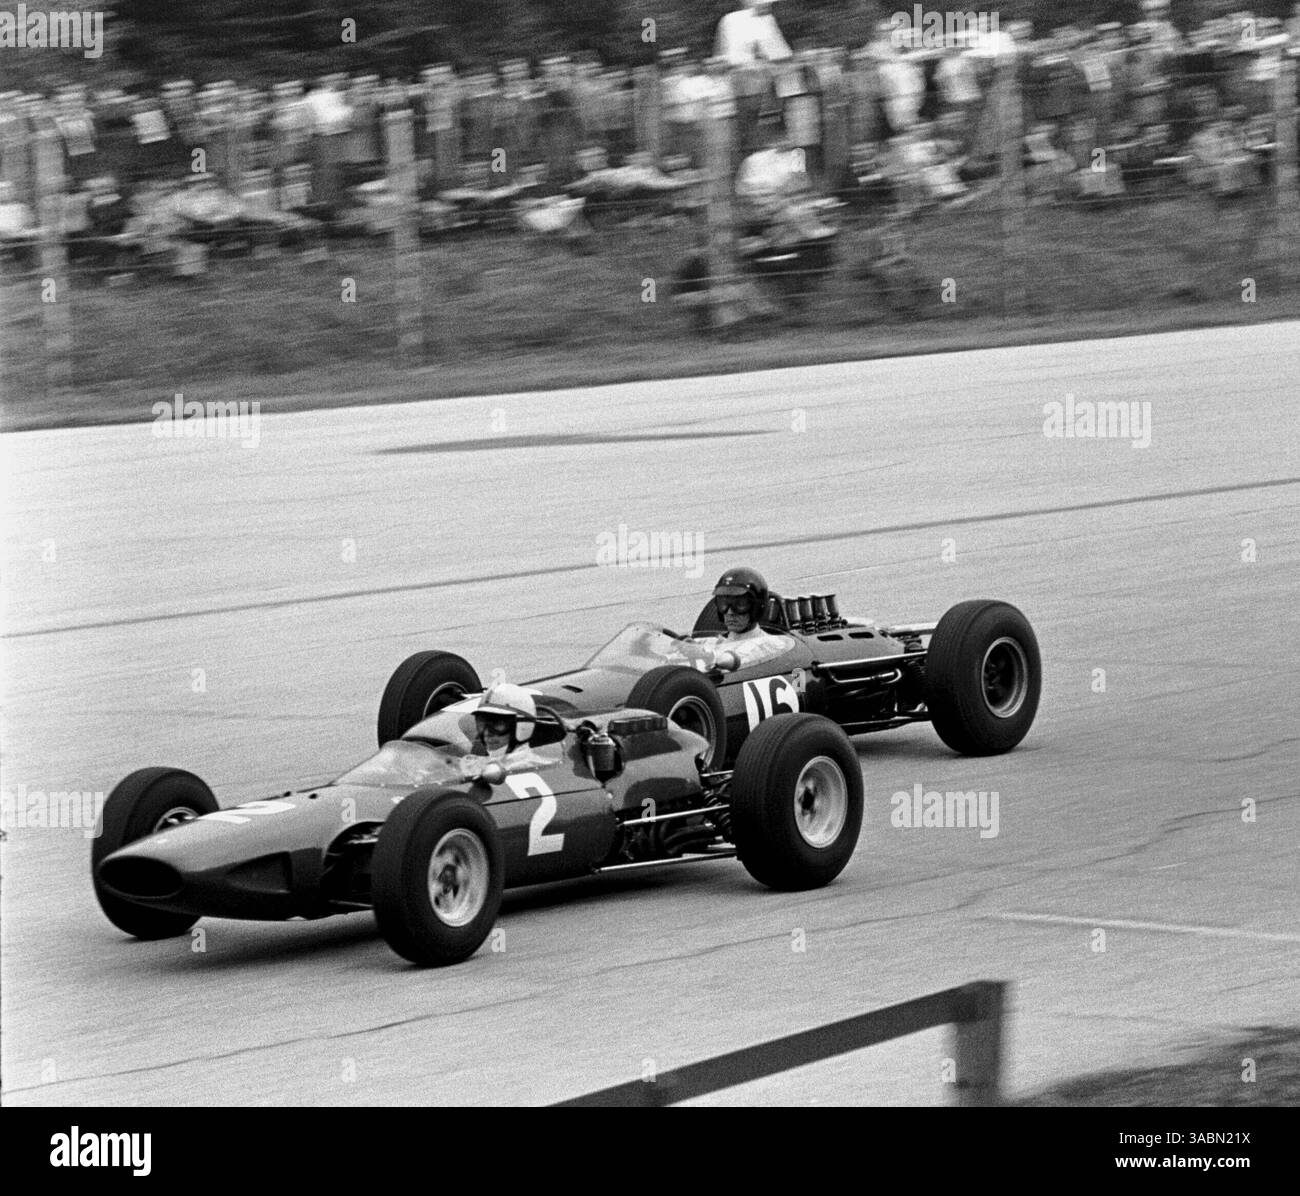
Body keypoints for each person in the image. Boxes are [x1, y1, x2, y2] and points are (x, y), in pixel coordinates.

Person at [694, 567, 790, 669]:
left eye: (740, 604)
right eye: (724, 604)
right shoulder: (713, 642)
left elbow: (738, 659)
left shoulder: (768, 645)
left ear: (755, 608)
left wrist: (710, 657)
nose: (730, 612)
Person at [459, 683, 554, 778]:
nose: (487, 733)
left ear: (523, 726)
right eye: (482, 724)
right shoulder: (475, 765)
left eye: (497, 724)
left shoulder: (537, 768)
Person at [714, 1, 792, 68]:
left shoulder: (768, 20)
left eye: (768, 4)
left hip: (765, 71)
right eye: (764, 5)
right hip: (740, 72)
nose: (767, 7)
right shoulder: (731, 20)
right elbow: (725, 55)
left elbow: (781, 52)